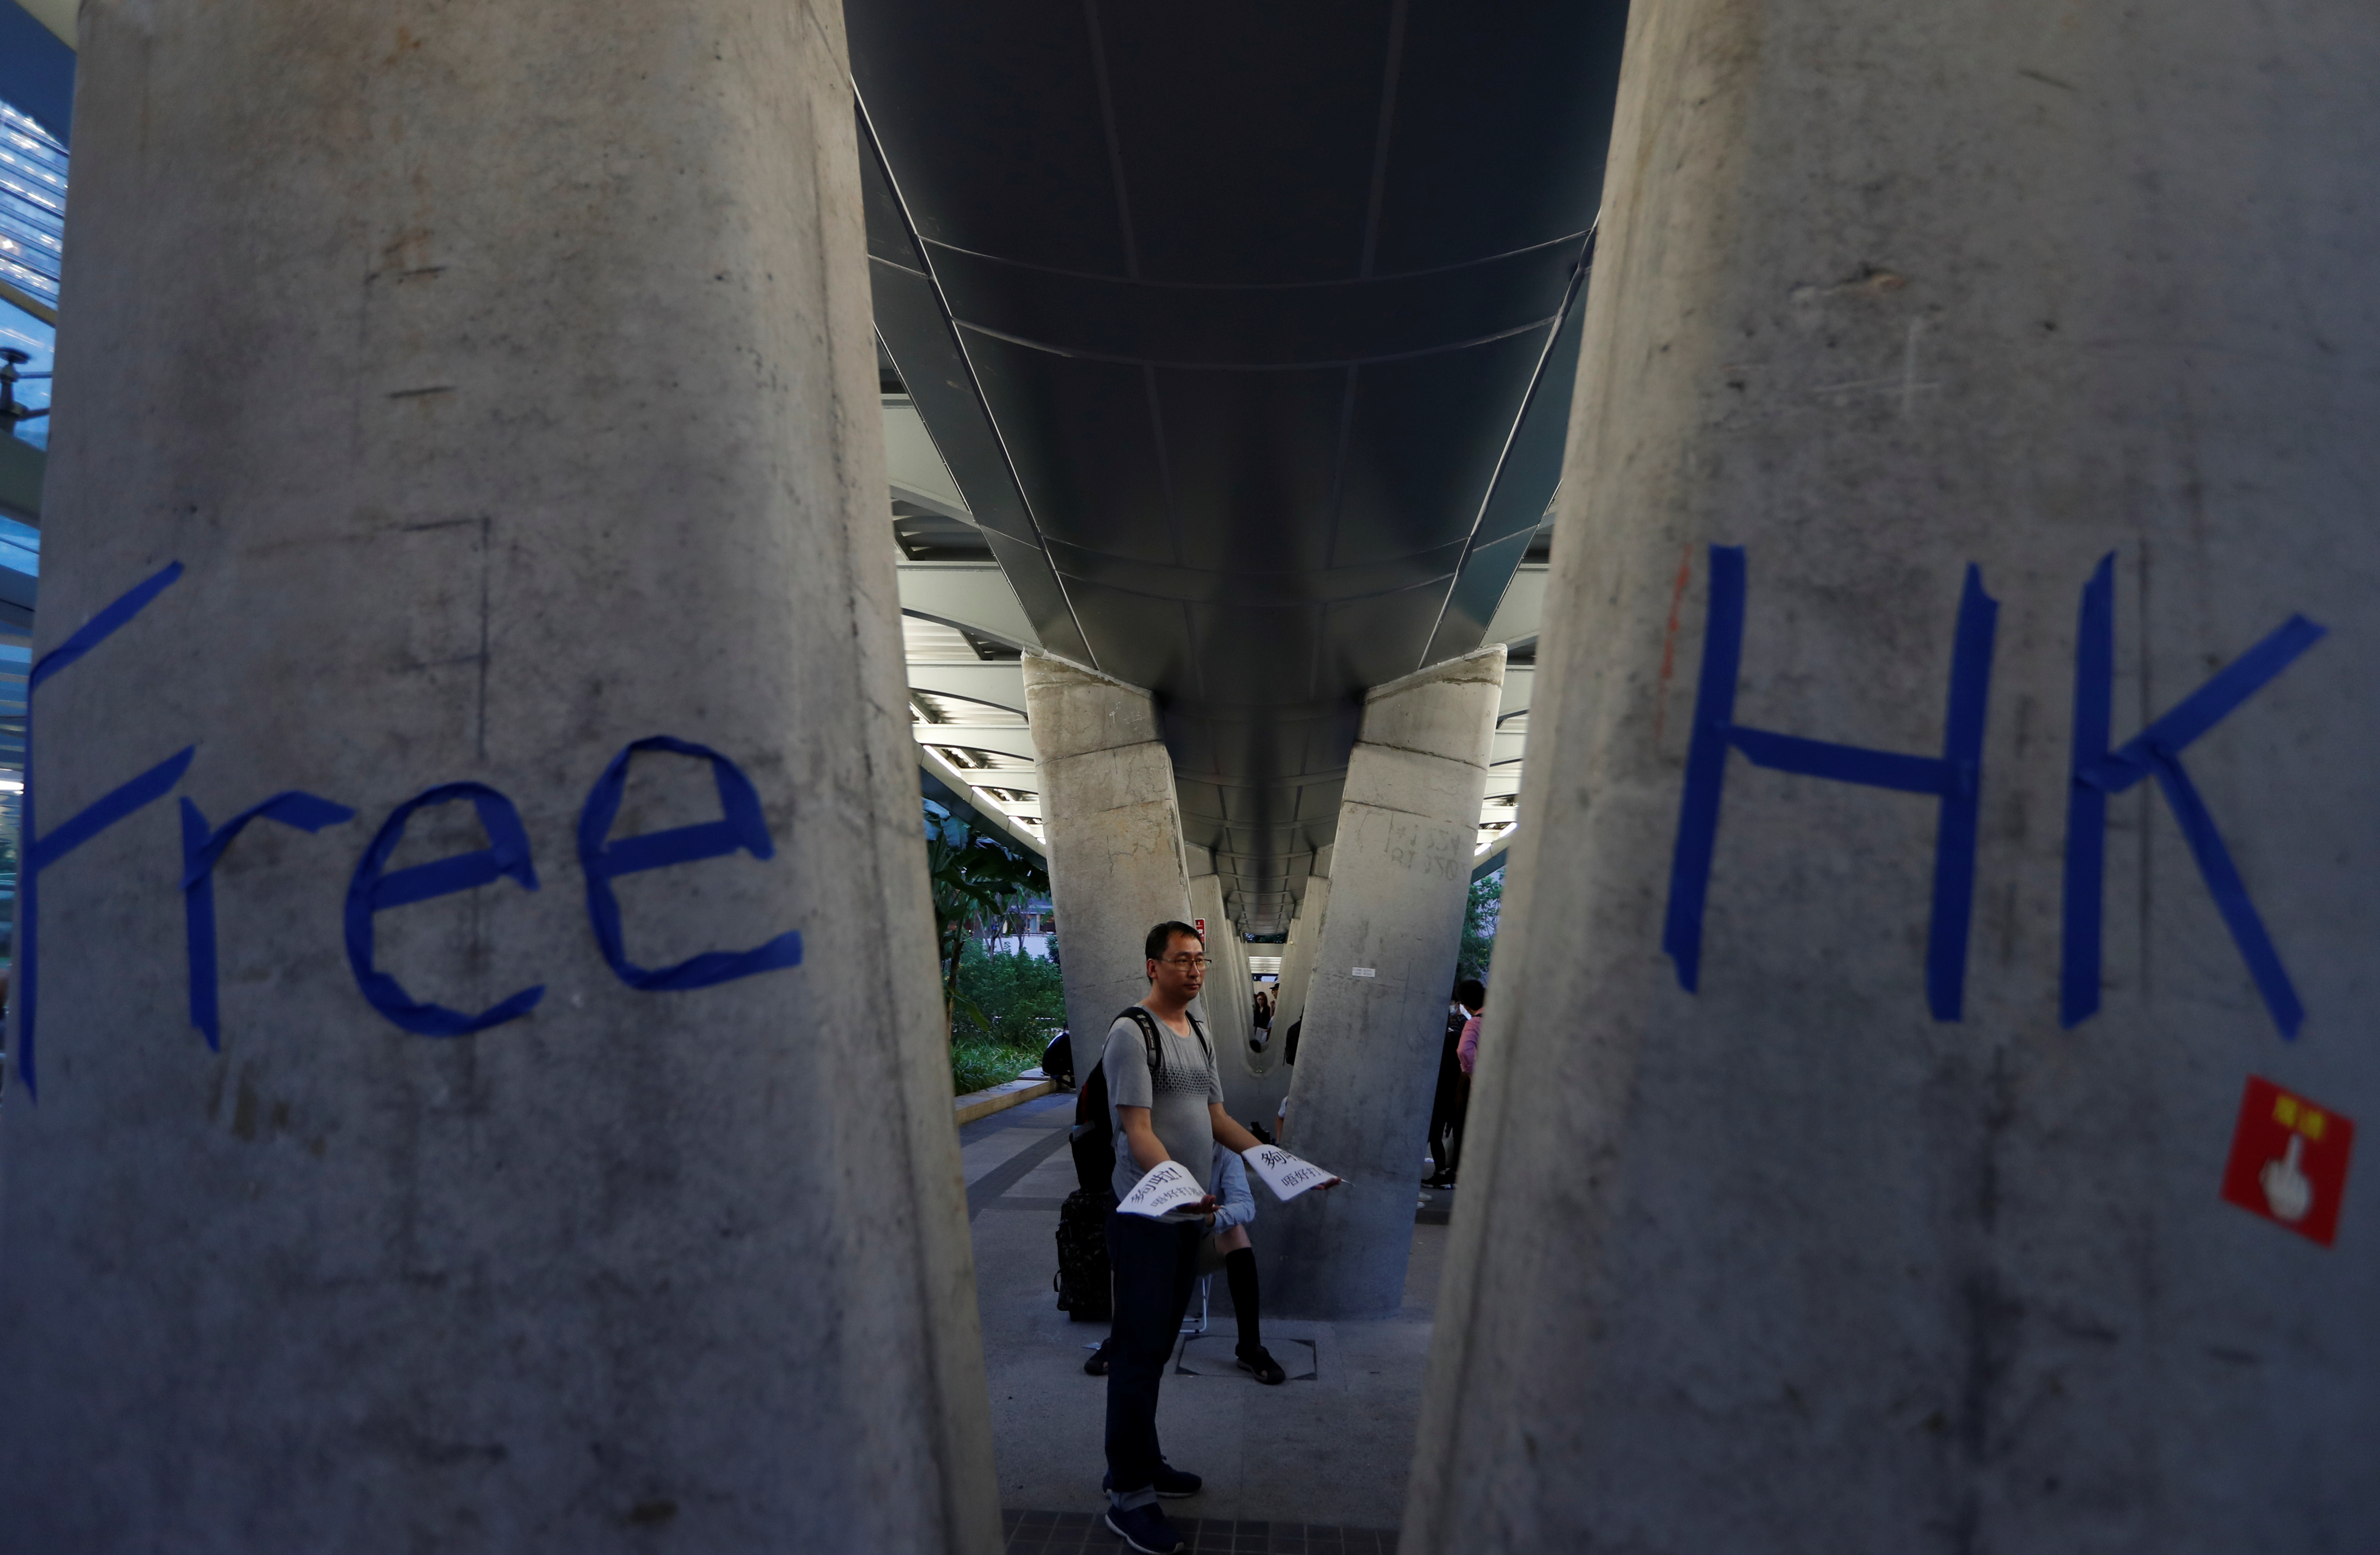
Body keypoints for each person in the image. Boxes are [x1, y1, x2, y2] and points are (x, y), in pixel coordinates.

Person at [1096, 920, 1325, 1555]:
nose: (1195, 970)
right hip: (1146, 1220)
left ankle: (1142, 1462)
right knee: (1137, 1356)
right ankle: (1128, 1496)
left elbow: (1217, 1119)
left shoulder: (1197, 1031)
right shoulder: (1130, 1034)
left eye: (1201, 961)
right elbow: (1137, 1131)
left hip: (1186, 1220)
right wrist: (1177, 1183)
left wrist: (1285, 1167)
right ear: (1152, 966)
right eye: (1182, 961)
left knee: (1158, 1345)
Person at [1426, 980, 1482, 1188]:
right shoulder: (1461, 1028)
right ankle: (1453, 1173)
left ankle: (1442, 1173)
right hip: (1460, 1089)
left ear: (1463, 1004)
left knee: (1436, 1132)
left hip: (1449, 1090)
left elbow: (1464, 1053)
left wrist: (1470, 1073)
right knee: (1459, 1132)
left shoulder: (1470, 1025)